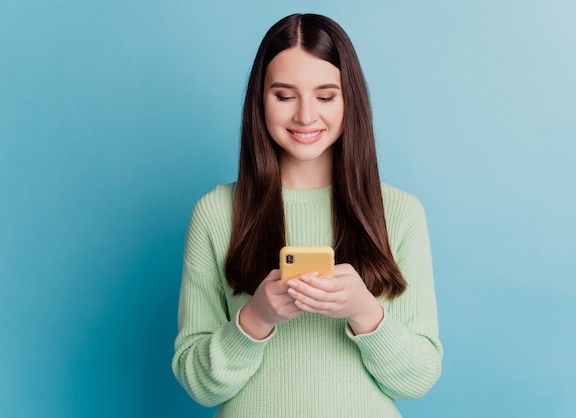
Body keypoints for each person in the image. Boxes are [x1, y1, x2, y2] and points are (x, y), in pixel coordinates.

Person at [172, 13, 443, 418]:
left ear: (349, 100)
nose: (305, 116)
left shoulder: (399, 213)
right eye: (284, 96)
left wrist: (364, 311)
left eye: (325, 95)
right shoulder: (216, 213)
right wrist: (255, 318)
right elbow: (198, 383)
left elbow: (418, 379)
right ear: (259, 100)